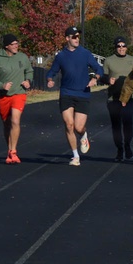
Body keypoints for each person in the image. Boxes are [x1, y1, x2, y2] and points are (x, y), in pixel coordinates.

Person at [45, 25, 103, 166]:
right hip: (66, 93)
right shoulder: (61, 56)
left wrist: (95, 78)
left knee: (78, 127)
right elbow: (52, 71)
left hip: (83, 93)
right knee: (69, 124)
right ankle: (75, 156)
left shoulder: (85, 53)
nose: (77, 39)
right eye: (74, 37)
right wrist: (50, 79)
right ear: (67, 39)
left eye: (78, 37)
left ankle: (83, 135)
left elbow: (98, 68)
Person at [0, 34, 32, 165]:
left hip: (19, 94)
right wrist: (2, 85)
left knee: (15, 120)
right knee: (7, 124)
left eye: (17, 43)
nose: (16, 46)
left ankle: (13, 151)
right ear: (7, 46)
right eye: (13, 44)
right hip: (3, 96)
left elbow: (29, 71)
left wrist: (28, 81)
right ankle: (10, 150)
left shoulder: (22, 57)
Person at [101, 36, 133, 161]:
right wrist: (108, 80)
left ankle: (127, 146)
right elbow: (103, 77)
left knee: (128, 124)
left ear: (127, 47)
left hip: (128, 98)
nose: (121, 48)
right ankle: (119, 149)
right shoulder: (109, 60)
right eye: (119, 46)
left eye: (123, 46)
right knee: (116, 126)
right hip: (114, 98)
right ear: (115, 47)